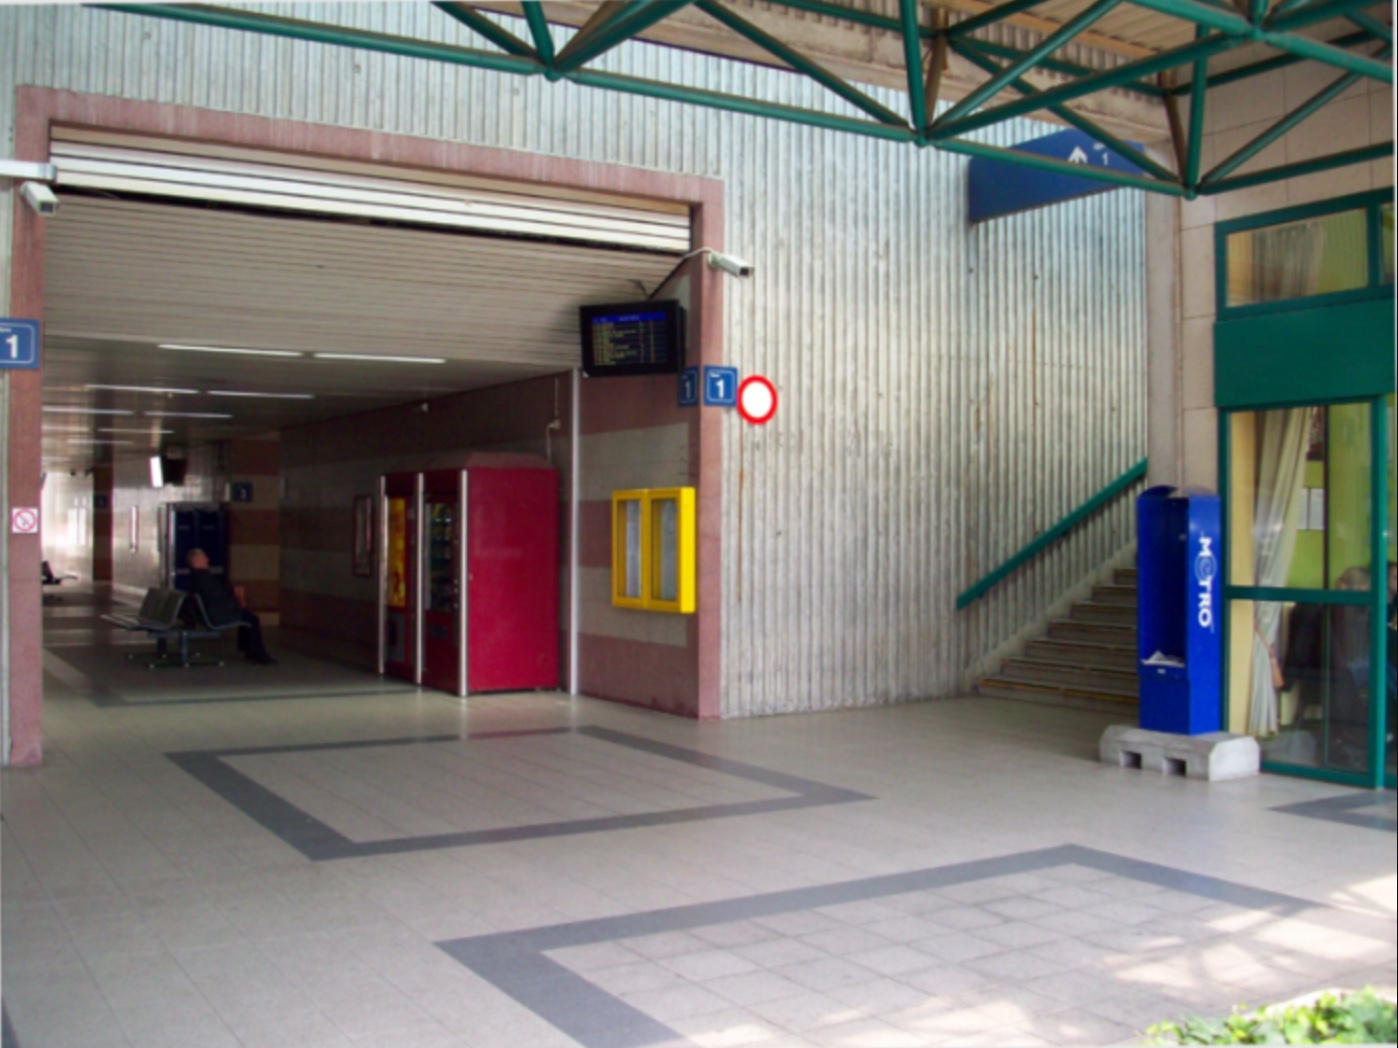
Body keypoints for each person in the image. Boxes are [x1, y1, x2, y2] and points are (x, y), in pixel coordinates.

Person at [185, 548, 277, 664]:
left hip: (212, 613)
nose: (207, 559)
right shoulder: (202, 578)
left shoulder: (196, 577)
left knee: (246, 616)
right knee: (252, 620)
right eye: (204, 557)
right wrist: (233, 591)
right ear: (196, 561)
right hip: (217, 616)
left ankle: (248, 649)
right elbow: (218, 592)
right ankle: (258, 653)